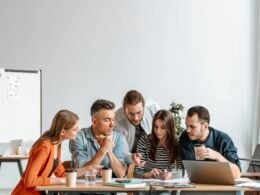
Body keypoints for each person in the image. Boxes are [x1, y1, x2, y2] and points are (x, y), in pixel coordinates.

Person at [11, 110, 92, 195]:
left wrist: (88, 169)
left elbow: (62, 174)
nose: (78, 131)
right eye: (75, 129)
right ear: (63, 132)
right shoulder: (44, 146)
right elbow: (29, 180)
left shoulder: (56, 145)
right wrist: (58, 181)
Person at [69, 99, 128, 178]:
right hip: (84, 189)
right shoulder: (78, 137)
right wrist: (103, 150)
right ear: (94, 121)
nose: (112, 124)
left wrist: (109, 151)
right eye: (107, 120)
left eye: (113, 119)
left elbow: (121, 174)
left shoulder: (119, 138)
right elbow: (82, 172)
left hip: (111, 189)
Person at [179, 106, 241, 179]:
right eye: (187, 126)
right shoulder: (185, 137)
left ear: (205, 126)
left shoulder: (223, 139)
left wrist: (217, 156)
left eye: (192, 127)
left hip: (221, 185)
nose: (188, 130)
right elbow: (187, 170)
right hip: (198, 185)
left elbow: (237, 174)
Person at [134, 109, 182, 180]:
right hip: (147, 184)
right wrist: (149, 175)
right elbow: (137, 172)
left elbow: (182, 172)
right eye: (155, 127)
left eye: (163, 128)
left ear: (169, 128)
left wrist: (170, 175)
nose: (158, 131)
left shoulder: (178, 142)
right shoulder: (145, 140)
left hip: (169, 186)